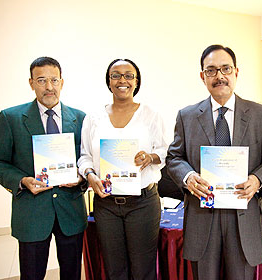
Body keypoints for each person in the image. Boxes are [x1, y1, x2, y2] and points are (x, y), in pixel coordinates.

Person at [166, 44, 262, 280]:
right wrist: (188, 177)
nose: (219, 76)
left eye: (225, 69)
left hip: (243, 216)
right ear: (202, 76)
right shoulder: (187, 116)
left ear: (236, 73)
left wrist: (258, 179)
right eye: (211, 70)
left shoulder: (261, 115)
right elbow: (174, 158)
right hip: (202, 215)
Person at [0, 57, 87, 280]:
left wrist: (81, 179)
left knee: (72, 274)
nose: (49, 87)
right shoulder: (10, 118)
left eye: (54, 80)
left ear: (62, 82)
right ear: (31, 83)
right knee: (32, 275)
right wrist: (22, 181)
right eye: (41, 80)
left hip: (70, 211)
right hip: (32, 213)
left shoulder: (81, 119)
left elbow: (87, 161)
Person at [77, 58, 168, 280]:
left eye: (129, 75)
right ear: (109, 82)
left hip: (142, 203)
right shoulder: (94, 118)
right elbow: (85, 157)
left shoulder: (151, 115)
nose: (122, 80)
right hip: (106, 204)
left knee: (143, 270)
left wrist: (150, 157)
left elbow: (166, 151)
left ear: (137, 81)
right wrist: (90, 176)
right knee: (114, 269)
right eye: (115, 75)